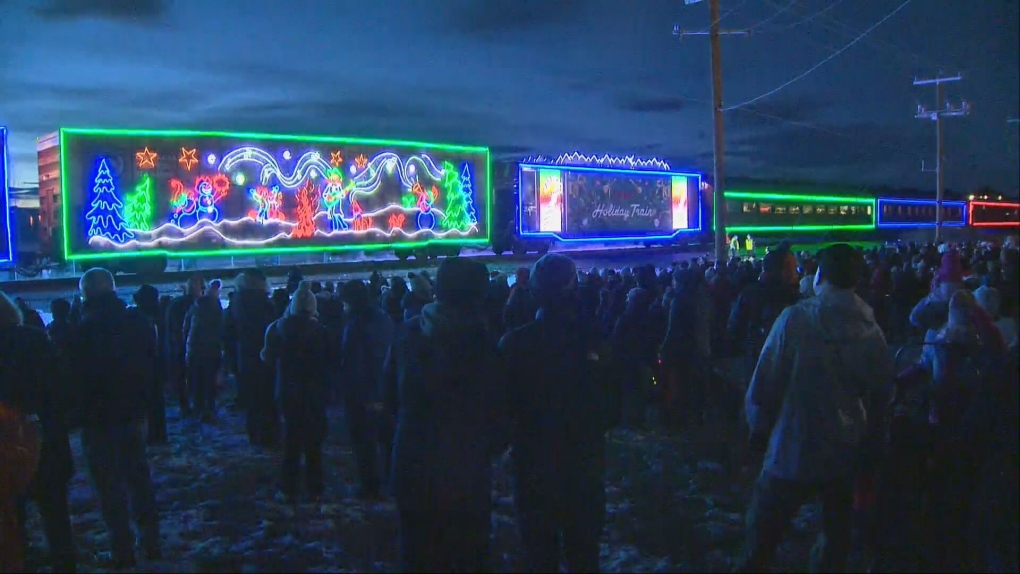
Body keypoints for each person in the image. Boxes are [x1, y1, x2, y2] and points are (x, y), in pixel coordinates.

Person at [736, 244, 893, 573]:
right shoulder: (871, 331)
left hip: (792, 447)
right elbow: (881, 393)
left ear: (819, 275)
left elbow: (766, 381)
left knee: (762, 535)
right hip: (843, 450)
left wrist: (758, 430)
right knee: (836, 540)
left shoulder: (796, 319)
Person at [383, 258, 507, 572]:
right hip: (465, 468)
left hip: (413, 461)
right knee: (467, 552)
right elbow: (500, 414)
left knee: (418, 551)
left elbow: (388, 399)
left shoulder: (409, 335)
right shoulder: (485, 345)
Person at [500, 254, 618, 572]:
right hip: (583, 466)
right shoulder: (595, 341)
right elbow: (614, 406)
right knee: (584, 555)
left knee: (540, 557)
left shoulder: (514, 344)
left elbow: (500, 409)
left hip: (533, 469)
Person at [66, 268, 161, 569]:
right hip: (134, 413)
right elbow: (154, 367)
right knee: (139, 478)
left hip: (98, 420)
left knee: (110, 488)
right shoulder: (140, 323)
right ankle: (152, 541)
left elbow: (74, 379)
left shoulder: (82, 332)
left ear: (85, 295)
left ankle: (122, 548)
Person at [1, 291, 75, 573]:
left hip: (7, 446)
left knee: (11, 518)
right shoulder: (37, 340)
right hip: (47, 440)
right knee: (56, 517)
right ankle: (65, 564)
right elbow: (60, 389)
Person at [261, 283, 333, 503]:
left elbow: (267, 358)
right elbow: (331, 363)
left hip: (287, 391)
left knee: (291, 440)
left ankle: (288, 487)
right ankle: (316, 487)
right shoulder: (321, 332)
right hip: (314, 392)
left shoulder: (277, 329)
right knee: (314, 443)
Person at [339, 279, 395, 499]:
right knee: (385, 438)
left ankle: (369, 486)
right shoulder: (383, 318)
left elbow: (353, 362)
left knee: (364, 440)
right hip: (382, 387)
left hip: (363, 392)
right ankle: (391, 481)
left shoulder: (355, 325)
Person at [224, 270, 281, 446]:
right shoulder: (264, 303)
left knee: (252, 400)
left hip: (244, 356)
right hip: (264, 356)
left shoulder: (236, 303)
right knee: (267, 398)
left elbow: (228, 333)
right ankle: (269, 435)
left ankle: (254, 434)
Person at [183, 279, 224, 422]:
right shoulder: (215, 308)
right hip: (211, 350)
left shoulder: (196, 307)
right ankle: (209, 409)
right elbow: (221, 331)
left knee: (197, 381)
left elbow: (186, 329)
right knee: (209, 382)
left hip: (194, 350)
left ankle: (198, 408)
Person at [165, 275, 204, 417]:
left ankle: (185, 406)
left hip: (177, 346)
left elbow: (169, 326)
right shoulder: (200, 304)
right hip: (195, 347)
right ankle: (200, 407)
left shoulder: (175, 304)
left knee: (181, 377)